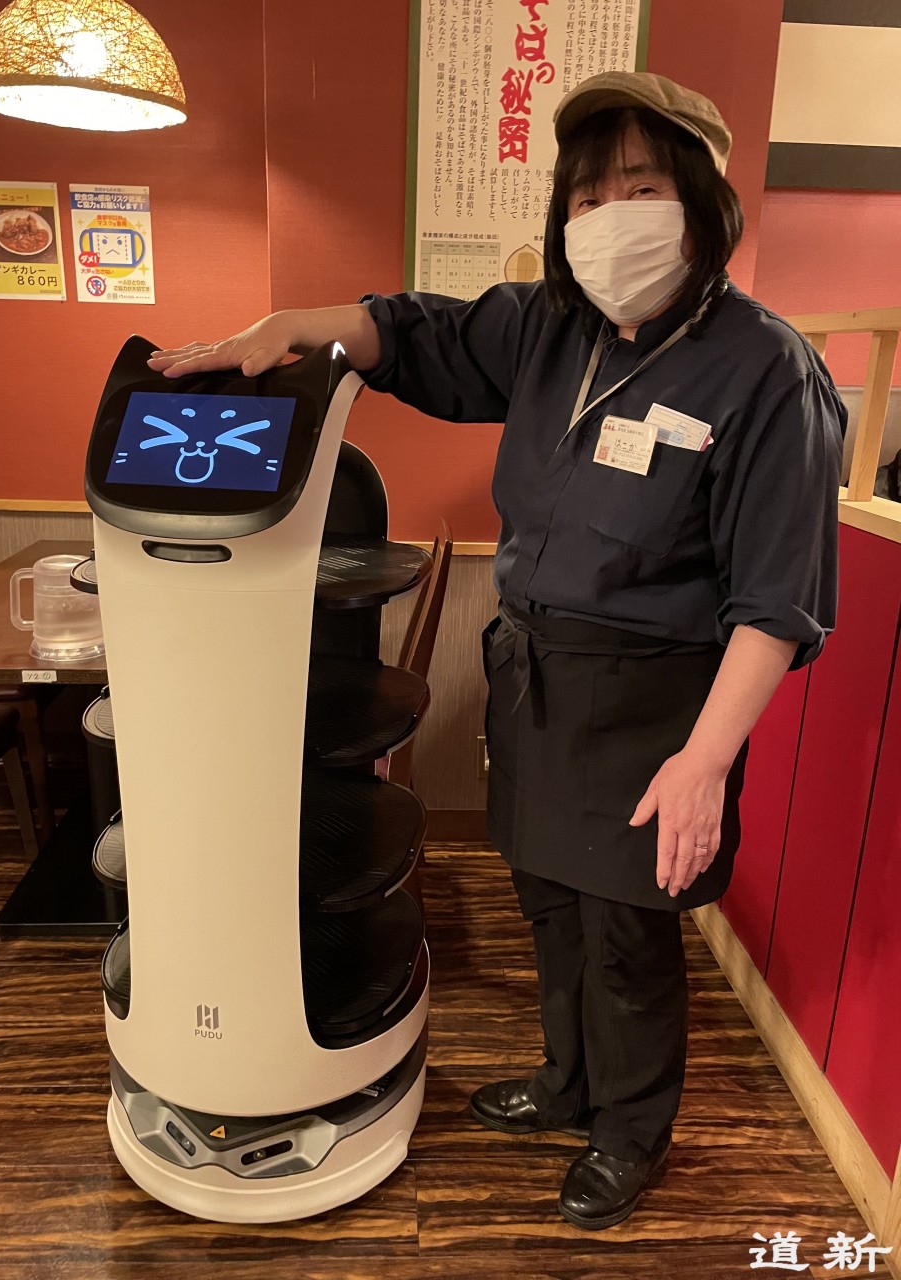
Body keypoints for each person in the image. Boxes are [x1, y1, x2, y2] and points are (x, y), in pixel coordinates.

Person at [148, 71, 845, 1230]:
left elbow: (777, 601)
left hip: (654, 703)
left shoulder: (767, 368)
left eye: (640, 185)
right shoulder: (547, 326)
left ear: (706, 204)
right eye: (585, 194)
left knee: (628, 935)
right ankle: (566, 1082)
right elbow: (410, 331)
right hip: (532, 677)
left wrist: (706, 760)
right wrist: (287, 328)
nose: (607, 214)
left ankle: (630, 1129)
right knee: (549, 907)